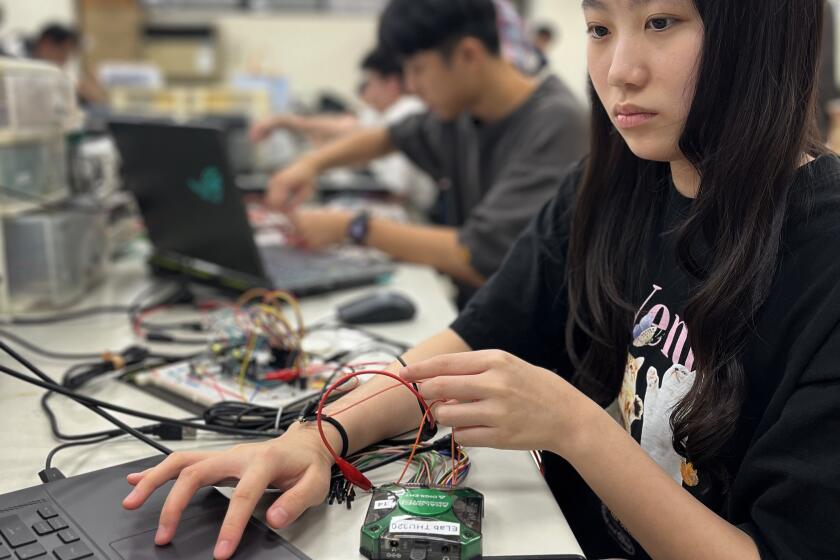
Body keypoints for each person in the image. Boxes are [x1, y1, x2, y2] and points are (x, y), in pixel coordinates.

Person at [122, 1, 840, 558]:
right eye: (597, 27)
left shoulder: (822, 255)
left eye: (660, 22)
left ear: (762, 28)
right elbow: (467, 338)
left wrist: (577, 429)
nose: (620, 68)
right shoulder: (607, 187)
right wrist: (318, 436)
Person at [266, 0, 586, 304]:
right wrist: (309, 164)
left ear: (468, 55)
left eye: (418, 69)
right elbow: (389, 136)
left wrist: (355, 227)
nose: (411, 86)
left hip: (534, 350)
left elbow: (476, 258)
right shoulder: (463, 112)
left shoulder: (557, 125)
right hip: (482, 317)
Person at [250, 46, 437, 212]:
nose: (367, 91)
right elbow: (348, 127)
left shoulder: (407, 110)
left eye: (371, 82)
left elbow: (397, 192)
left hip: (411, 213)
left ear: (392, 84)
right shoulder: (383, 113)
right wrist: (285, 123)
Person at [29, 23, 106, 105]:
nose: (65, 59)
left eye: (69, 53)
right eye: (64, 51)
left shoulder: (53, 72)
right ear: (46, 44)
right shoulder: (25, 67)